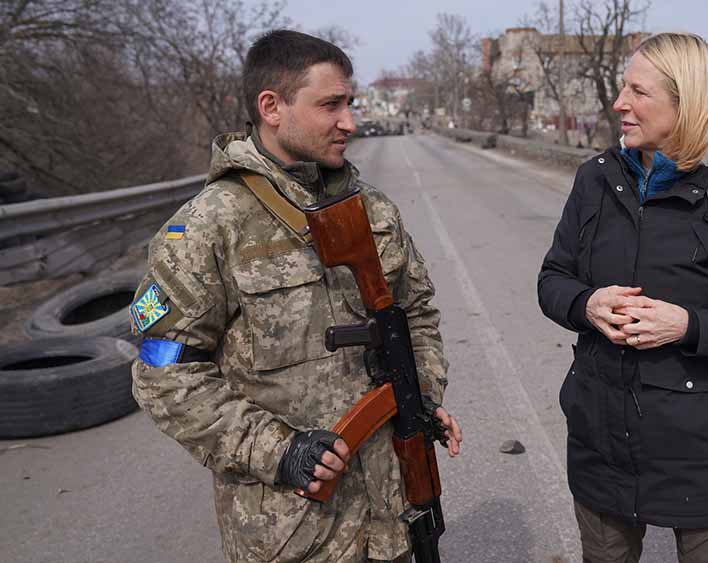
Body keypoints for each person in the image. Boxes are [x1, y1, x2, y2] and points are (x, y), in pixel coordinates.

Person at [130, 29, 461, 563]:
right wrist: (278, 452)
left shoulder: (372, 210)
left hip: (395, 513)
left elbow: (417, 313)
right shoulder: (207, 227)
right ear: (272, 107)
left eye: (349, 104)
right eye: (330, 105)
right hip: (293, 532)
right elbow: (161, 368)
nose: (349, 122)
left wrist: (422, 394)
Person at [538, 32, 708, 563]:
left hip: (705, 456)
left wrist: (687, 326)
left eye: (638, 91)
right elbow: (552, 279)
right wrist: (585, 303)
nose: (619, 104)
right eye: (622, 88)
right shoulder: (594, 180)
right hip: (601, 439)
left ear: (688, 103)